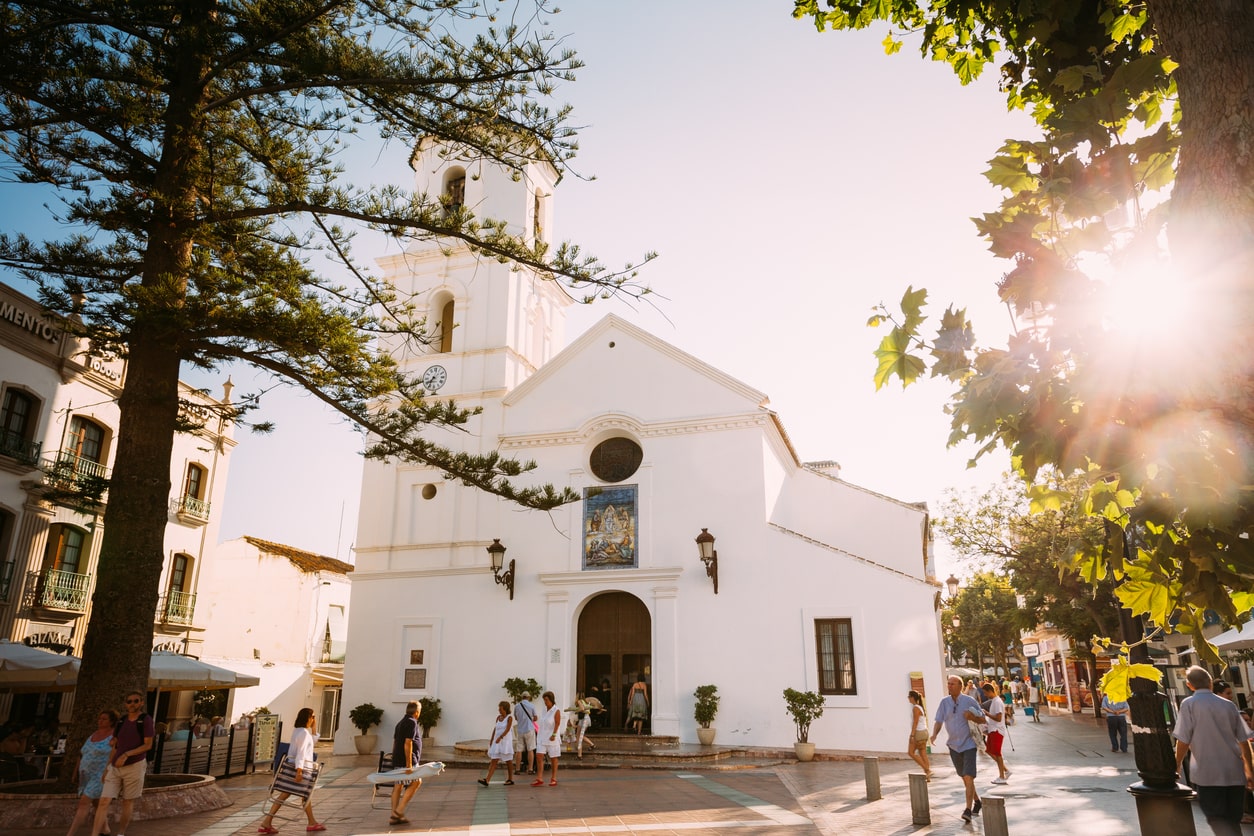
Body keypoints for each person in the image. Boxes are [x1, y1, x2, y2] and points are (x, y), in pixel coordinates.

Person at [1173, 665, 1254, 836]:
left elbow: (1183, 740)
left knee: (1216, 818)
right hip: (1234, 772)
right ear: (1210, 682)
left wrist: (1177, 764)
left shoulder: (1189, 705)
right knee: (1233, 819)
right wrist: (1249, 770)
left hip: (1207, 773)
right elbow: (1244, 742)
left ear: (1189, 685)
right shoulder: (1229, 706)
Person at [91, 690, 155, 836]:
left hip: (135, 765)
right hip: (115, 767)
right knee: (103, 801)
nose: (132, 704)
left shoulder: (145, 720)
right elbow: (115, 745)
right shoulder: (122, 721)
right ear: (125, 704)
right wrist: (108, 767)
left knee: (127, 801)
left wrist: (127, 755)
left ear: (141, 703)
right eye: (129, 701)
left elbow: (147, 745)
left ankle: (120, 833)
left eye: (136, 701)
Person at [257, 707, 324, 834]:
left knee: (291, 794)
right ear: (308, 718)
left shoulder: (299, 731)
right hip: (302, 769)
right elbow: (301, 753)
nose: (314, 719)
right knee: (305, 794)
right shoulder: (304, 733)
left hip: (294, 768)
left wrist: (314, 728)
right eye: (313, 717)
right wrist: (299, 771)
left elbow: (311, 743)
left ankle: (268, 822)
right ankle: (311, 823)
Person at [931, 674, 986, 823]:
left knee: (968, 777)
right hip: (953, 746)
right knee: (964, 777)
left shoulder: (970, 701)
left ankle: (967, 810)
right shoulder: (944, 702)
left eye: (952, 684)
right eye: (948, 684)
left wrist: (972, 717)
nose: (949, 686)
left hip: (968, 744)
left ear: (960, 686)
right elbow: (939, 720)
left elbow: (982, 719)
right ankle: (977, 802)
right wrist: (934, 734)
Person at [65, 709, 117, 836]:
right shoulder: (93, 735)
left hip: (99, 775)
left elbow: (114, 755)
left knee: (84, 802)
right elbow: (82, 753)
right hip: (86, 774)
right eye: (99, 718)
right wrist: (75, 771)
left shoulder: (114, 737)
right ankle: (105, 829)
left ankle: (70, 834)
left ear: (111, 721)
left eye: (104, 719)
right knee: (96, 802)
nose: (100, 721)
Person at [388, 701, 424, 825]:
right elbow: (408, 743)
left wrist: (394, 758)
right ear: (417, 712)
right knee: (417, 781)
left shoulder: (400, 723)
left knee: (398, 786)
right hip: (407, 760)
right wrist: (409, 765)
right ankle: (398, 811)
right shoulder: (412, 722)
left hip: (398, 759)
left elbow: (395, 742)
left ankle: (394, 815)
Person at [478, 701, 515, 786]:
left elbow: (508, 729)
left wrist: (501, 737)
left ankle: (510, 779)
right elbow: (495, 729)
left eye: (500, 708)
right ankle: (487, 780)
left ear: (505, 708)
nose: (499, 710)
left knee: (508, 761)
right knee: (494, 760)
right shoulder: (498, 717)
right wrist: (492, 740)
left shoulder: (509, 718)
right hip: (497, 742)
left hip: (505, 742)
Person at [981, 682, 1011, 784]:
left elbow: (998, 718)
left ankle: (1002, 776)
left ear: (990, 691)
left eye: (985, 693)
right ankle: (1005, 771)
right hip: (993, 729)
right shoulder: (995, 701)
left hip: (997, 729)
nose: (985, 695)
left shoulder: (997, 702)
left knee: (997, 753)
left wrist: (987, 714)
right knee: (989, 751)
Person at [532, 691, 562, 787]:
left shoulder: (556, 710)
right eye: (544, 700)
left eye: (546, 700)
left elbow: (557, 723)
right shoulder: (544, 710)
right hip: (542, 737)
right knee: (539, 756)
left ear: (551, 700)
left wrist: (554, 734)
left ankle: (553, 778)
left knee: (553, 758)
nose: (545, 702)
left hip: (552, 737)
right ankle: (539, 778)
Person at [906, 690, 931, 780]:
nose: (908, 698)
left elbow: (915, 722)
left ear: (912, 697)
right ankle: (928, 776)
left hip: (919, 733)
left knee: (911, 752)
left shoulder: (915, 708)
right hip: (924, 732)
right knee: (923, 753)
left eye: (909, 697)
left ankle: (927, 770)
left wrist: (912, 735)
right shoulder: (920, 707)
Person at [513, 692, 538, 776]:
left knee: (519, 750)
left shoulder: (517, 706)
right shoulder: (532, 706)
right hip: (529, 729)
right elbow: (535, 717)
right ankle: (530, 769)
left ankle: (517, 769)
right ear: (528, 697)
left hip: (520, 730)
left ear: (522, 697)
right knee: (530, 749)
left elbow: (516, 717)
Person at [573, 693, 596, 759]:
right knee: (580, 735)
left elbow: (582, 709)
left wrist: (577, 711)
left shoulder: (579, 701)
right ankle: (591, 744)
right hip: (587, 719)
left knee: (579, 736)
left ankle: (579, 755)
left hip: (583, 720)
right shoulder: (585, 702)